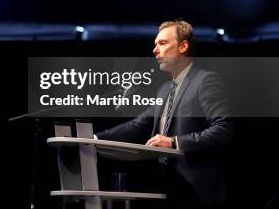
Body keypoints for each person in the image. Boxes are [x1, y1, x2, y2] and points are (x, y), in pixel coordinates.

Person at [95, 20, 233, 208]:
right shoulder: (165, 89)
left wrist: (174, 142)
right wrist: (94, 138)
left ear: (183, 46)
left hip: (198, 192)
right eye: (155, 44)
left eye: (162, 43)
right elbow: (137, 125)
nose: (154, 50)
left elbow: (223, 130)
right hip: (167, 188)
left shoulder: (205, 81)